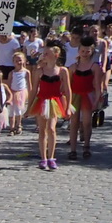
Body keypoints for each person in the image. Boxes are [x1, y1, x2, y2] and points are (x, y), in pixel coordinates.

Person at [32, 44, 71, 172]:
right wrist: (29, 107)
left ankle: (51, 157)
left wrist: (68, 107)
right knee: (42, 129)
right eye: (44, 53)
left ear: (56, 55)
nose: (45, 55)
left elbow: (67, 90)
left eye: (47, 53)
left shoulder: (62, 71)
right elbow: (34, 90)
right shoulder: (39, 71)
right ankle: (43, 158)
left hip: (55, 101)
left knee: (51, 128)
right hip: (42, 100)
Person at [67, 36, 101, 159]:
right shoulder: (72, 67)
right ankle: (73, 149)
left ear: (92, 51)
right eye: (82, 51)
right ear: (78, 51)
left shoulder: (95, 66)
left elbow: (97, 85)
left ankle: (86, 145)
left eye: (88, 51)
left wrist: (97, 100)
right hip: (75, 95)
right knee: (74, 122)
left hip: (88, 95)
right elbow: (68, 85)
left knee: (87, 122)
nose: (85, 54)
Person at [8, 50, 30, 136]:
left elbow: (29, 84)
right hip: (13, 92)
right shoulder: (12, 73)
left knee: (18, 110)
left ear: (24, 60)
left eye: (20, 60)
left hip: (21, 92)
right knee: (11, 111)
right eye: (16, 61)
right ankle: (11, 127)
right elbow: (9, 84)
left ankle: (19, 125)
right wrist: (9, 94)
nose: (18, 62)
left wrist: (29, 94)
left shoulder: (26, 72)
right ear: (13, 62)